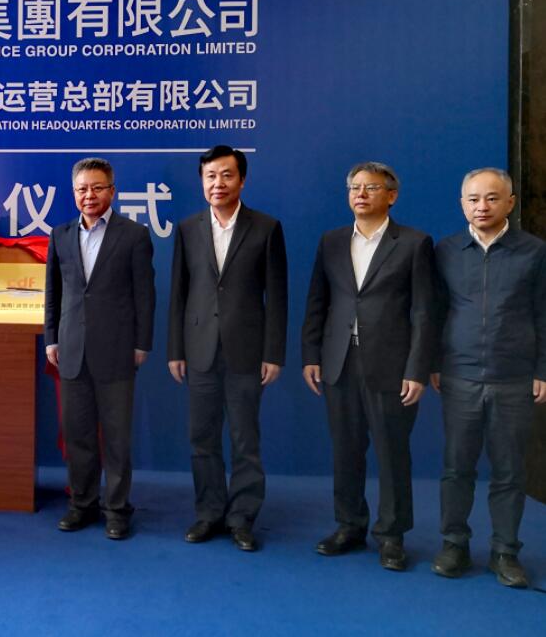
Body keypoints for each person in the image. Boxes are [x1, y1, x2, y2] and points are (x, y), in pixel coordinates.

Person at [301, 161, 436, 571]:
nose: (360, 194)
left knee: (392, 453)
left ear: (391, 196)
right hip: (339, 360)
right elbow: (317, 302)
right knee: (345, 450)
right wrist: (311, 356)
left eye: (370, 188)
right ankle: (349, 525)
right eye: (354, 187)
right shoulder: (331, 241)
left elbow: (424, 312)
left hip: (391, 365)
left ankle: (392, 535)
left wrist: (417, 369)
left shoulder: (414, 243)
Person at [430, 167, 546, 589]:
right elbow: (434, 312)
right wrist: (433, 363)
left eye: (492, 198)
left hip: (514, 378)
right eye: (474, 199)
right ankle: (454, 544)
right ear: (462, 204)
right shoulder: (446, 250)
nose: (482, 206)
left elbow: (544, 313)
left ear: (510, 203)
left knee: (509, 471)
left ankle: (505, 552)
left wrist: (543, 370)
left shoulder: (534, 252)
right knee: (456, 468)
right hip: (459, 376)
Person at [167, 145, 287, 552]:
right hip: (199, 350)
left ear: (242, 180)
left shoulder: (266, 228)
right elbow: (178, 294)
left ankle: (242, 518)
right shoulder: (188, 228)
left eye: (226, 175)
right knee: (201, 438)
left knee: (244, 441)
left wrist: (273, 353)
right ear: (202, 182)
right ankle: (209, 513)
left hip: (247, 352)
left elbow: (278, 296)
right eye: (210, 176)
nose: (218, 183)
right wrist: (175, 350)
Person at [44, 157, 155, 540]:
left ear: (112, 191)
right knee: (78, 436)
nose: (88, 195)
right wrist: (52, 338)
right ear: (74, 193)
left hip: (117, 350)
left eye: (96, 187)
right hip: (71, 350)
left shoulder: (134, 235)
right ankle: (82, 504)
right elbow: (53, 293)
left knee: (117, 438)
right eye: (81, 189)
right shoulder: (60, 235)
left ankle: (118, 510)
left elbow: (145, 295)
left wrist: (142, 343)